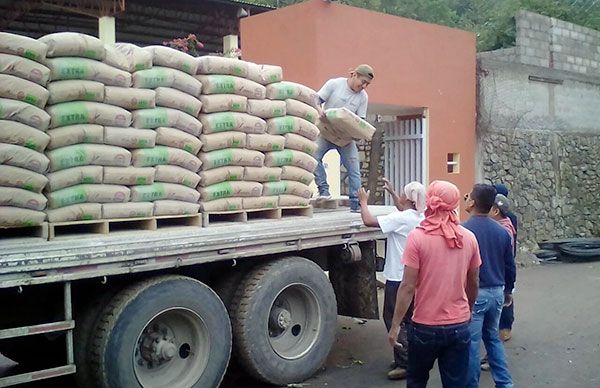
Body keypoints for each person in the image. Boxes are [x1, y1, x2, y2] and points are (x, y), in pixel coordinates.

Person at [388, 180, 481, 387]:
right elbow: (473, 281)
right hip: (459, 324)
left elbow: (408, 286)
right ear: (455, 204)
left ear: (430, 202)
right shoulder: (469, 238)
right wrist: (469, 308)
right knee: (455, 383)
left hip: (424, 326)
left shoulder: (417, 237)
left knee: (417, 380)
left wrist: (395, 325)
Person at [357, 179, 426, 380]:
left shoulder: (403, 219)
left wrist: (363, 202)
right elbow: (403, 208)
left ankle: (405, 363)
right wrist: (394, 194)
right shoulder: (420, 216)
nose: (401, 197)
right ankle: (410, 357)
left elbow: (368, 221)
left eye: (404, 194)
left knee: (394, 318)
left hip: (398, 277)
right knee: (411, 319)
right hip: (415, 276)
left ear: (410, 200)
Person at [463, 184, 516, 388]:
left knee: (472, 345)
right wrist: (508, 290)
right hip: (497, 292)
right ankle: (505, 383)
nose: (466, 199)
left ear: (473, 202)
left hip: (477, 293)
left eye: (468, 197)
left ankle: (471, 385)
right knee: (493, 339)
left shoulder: (464, 231)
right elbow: (509, 265)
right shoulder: (502, 231)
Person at [313, 64, 374, 212]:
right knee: (313, 158)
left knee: (354, 169)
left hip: (345, 139)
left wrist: (359, 134)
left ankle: (356, 203)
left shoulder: (363, 97)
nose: (364, 86)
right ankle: (323, 190)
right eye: (363, 81)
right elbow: (316, 99)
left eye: (367, 84)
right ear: (354, 75)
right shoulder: (335, 84)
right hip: (327, 132)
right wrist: (320, 111)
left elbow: (359, 121)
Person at [493, 183, 518, 342]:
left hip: (502, 260)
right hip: (508, 259)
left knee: (505, 295)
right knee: (506, 293)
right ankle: (504, 328)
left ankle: (504, 327)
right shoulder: (511, 216)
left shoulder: (504, 220)